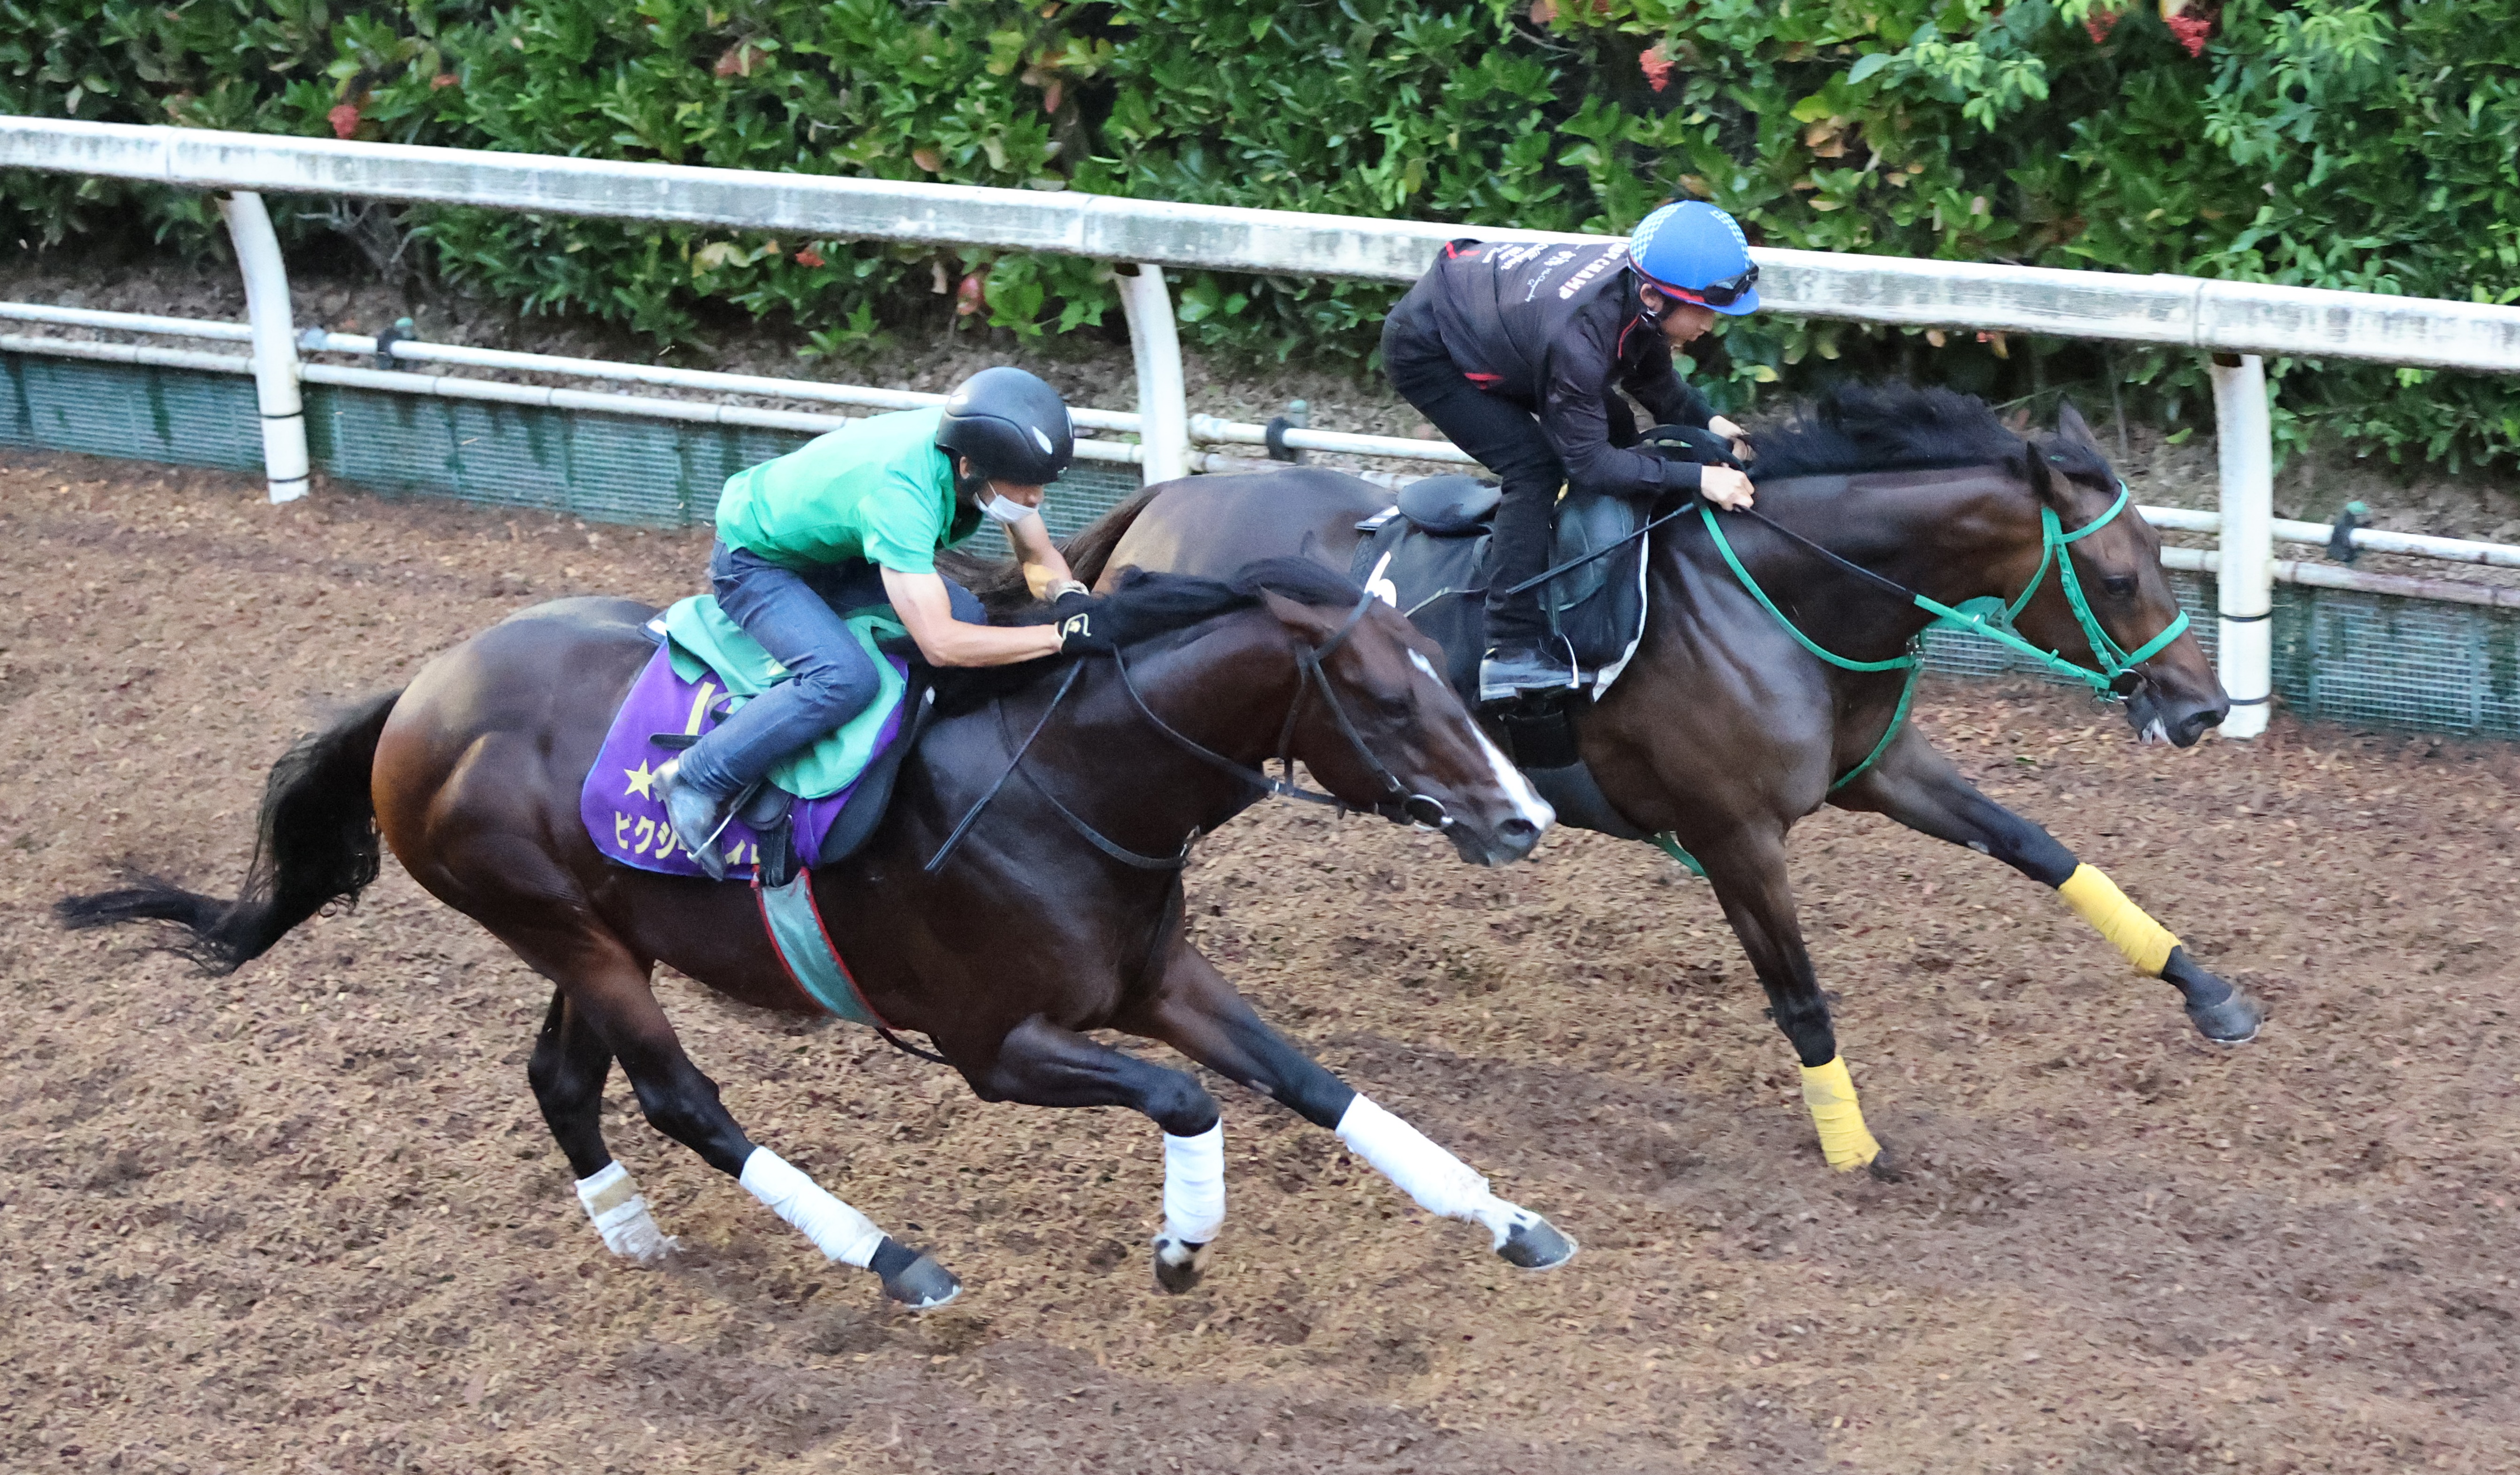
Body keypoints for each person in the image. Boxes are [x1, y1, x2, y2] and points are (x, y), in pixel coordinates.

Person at [659, 366, 1104, 879]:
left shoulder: (981, 449)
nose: (1035, 500)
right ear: (969, 468)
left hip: (837, 555)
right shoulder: (903, 493)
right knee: (844, 679)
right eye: (1026, 486)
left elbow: (1039, 552)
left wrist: (1070, 596)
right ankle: (697, 776)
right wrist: (1058, 637)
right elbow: (939, 644)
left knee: (969, 612)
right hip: (757, 564)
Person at [1380, 200, 1765, 702]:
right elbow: (1591, 462)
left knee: (1619, 420)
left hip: (1504, 323)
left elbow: (1656, 380)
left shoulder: (1637, 296)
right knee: (1534, 468)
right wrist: (1699, 478)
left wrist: (1716, 425)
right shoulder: (1580, 338)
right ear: (1652, 295)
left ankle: (1602, 568)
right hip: (1432, 350)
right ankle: (1510, 645)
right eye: (1706, 311)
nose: (1711, 325)